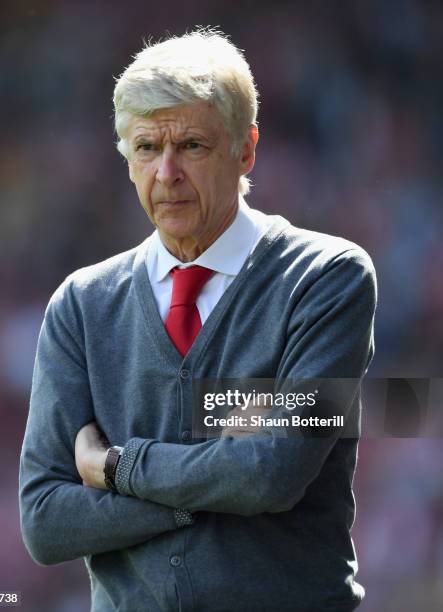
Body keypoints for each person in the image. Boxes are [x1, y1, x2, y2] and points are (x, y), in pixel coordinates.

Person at [19, 28, 377, 612]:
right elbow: (45, 522)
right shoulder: (81, 305)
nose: (166, 173)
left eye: (191, 145)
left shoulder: (327, 279)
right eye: (145, 149)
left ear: (246, 149)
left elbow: (272, 474)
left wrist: (115, 467)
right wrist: (204, 493)